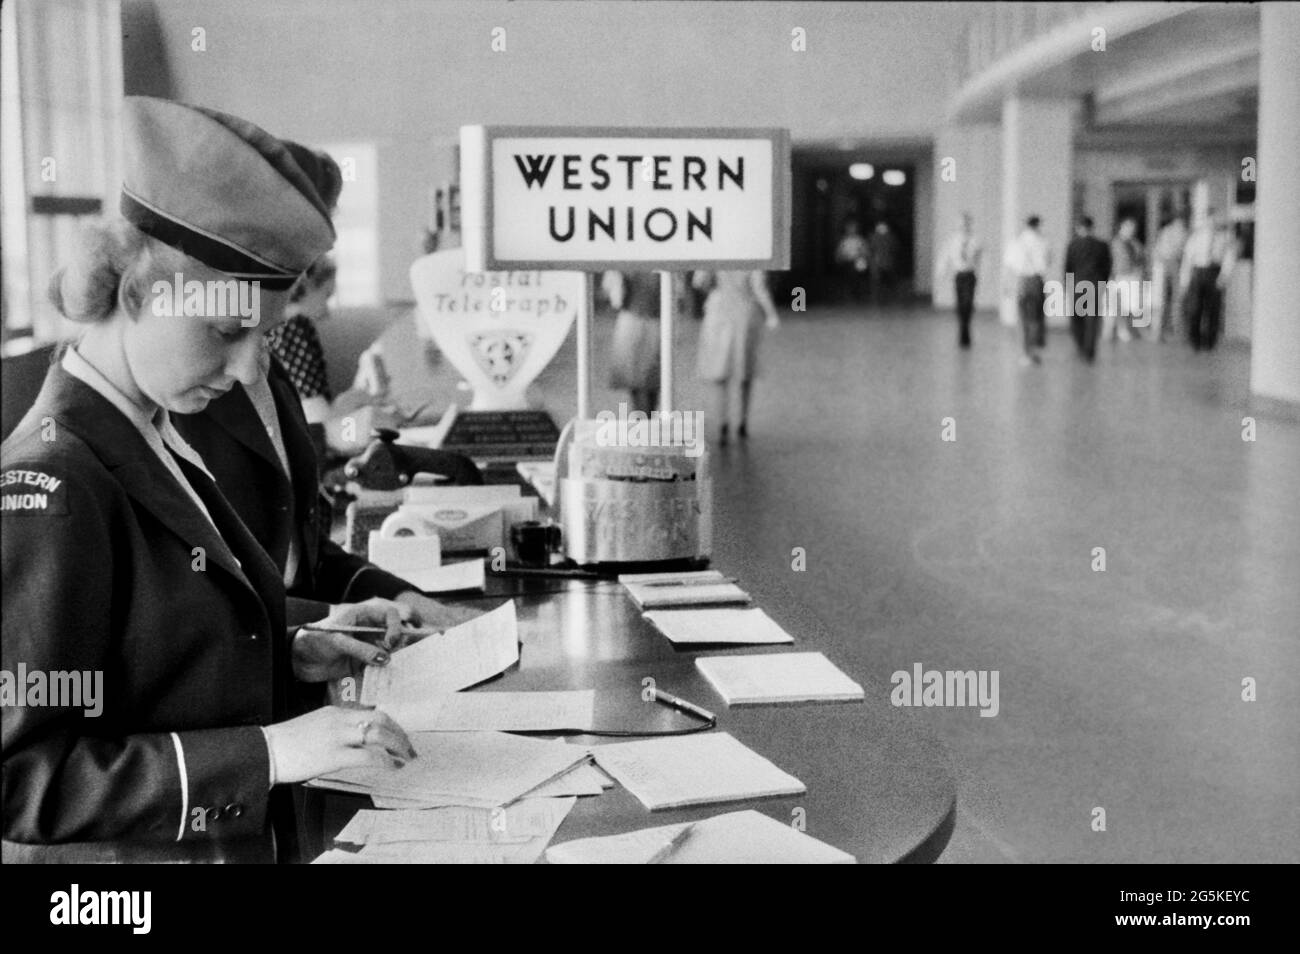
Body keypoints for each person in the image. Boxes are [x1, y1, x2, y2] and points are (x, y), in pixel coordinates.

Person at [1, 97, 417, 864]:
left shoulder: (151, 435)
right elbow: (26, 778)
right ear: (135, 294)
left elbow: (151, 665)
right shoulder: (54, 483)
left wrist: (291, 649)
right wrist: (271, 754)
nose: (250, 366)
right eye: (227, 332)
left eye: (264, 334)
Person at [173, 143, 471, 631]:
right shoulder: (193, 387)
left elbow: (307, 556)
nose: (318, 251)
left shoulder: (269, 362)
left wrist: (406, 599)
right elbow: (208, 606)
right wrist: (333, 622)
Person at [693, 270, 780, 444]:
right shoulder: (750, 256)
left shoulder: (715, 255)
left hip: (718, 314)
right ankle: (742, 419)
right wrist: (771, 314)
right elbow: (759, 287)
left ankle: (722, 420)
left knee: (720, 372)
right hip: (744, 313)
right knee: (744, 370)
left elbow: (699, 282)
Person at [603, 270, 662, 414]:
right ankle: (644, 417)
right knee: (639, 377)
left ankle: (644, 418)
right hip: (640, 319)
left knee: (645, 377)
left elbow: (614, 298)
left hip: (641, 319)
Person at [1180, 208, 1237, 352]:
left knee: (1213, 309)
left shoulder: (1224, 237)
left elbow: (1229, 258)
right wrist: (1185, 280)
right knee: (1195, 308)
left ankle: (1210, 341)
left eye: (1214, 219)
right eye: (1209, 219)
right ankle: (1195, 340)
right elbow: (1187, 259)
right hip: (1199, 272)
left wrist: (1224, 276)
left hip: (1214, 272)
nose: (1212, 222)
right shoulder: (1196, 236)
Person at [1003, 215, 1053, 366]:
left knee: (1023, 319)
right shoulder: (1043, 242)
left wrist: (1007, 285)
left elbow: (1008, 265)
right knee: (1036, 318)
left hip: (1022, 282)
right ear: (1038, 225)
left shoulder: (1016, 242)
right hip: (1036, 281)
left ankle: (1026, 353)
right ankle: (1033, 351)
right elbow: (1048, 261)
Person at [1064, 216, 1112, 363]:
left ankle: (1080, 346)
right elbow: (1107, 267)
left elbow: (1068, 267)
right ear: (1092, 227)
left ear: (1079, 228)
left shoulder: (1073, 245)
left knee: (1077, 318)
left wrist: (1067, 285)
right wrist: (1103, 283)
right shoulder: (1102, 245)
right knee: (1092, 319)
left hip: (1078, 285)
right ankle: (1089, 351)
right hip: (1096, 285)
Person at [939, 212, 982, 348]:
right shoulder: (952, 241)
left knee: (968, 303)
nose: (964, 226)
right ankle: (963, 329)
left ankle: (966, 327)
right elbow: (945, 258)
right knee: (960, 304)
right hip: (959, 275)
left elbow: (982, 258)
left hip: (970, 275)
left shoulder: (976, 240)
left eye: (966, 223)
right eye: (961, 224)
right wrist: (941, 274)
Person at [1106, 217, 1145, 343]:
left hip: (1132, 276)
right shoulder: (1115, 243)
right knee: (1117, 305)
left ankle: (1126, 329)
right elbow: (1109, 261)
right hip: (1119, 277)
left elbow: (1141, 259)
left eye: (1132, 228)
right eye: (1128, 227)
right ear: (1121, 227)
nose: (1131, 230)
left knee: (1130, 306)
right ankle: (1117, 330)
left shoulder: (1135, 244)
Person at [1151, 214, 1188, 342]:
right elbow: (1159, 251)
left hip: (1174, 264)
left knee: (1174, 299)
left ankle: (1172, 330)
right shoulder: (1169, 232)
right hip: (1166, 264)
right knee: (1164, 300)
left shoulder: (1181, 232)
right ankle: (1161, 331)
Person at [834, 219, 870, 304]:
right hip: (846, 262)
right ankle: (849, 294)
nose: (851, 230)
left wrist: (862, 255)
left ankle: (857, 294)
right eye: (850, 228)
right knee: (847, 277)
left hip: (857, 262)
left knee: (856, 277)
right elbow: (839, 251)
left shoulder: (860, 240)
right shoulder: (844, 240)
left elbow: (865, 251)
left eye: (853, 228)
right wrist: (839, 257)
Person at [868, 222, 900, 304]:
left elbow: (894, 248)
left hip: (884, 262)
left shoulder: (889, 237)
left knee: (884, 280)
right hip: (880, 262)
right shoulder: (877, 237)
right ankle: (881, 297)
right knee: (880, 281)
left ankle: (883, 297)